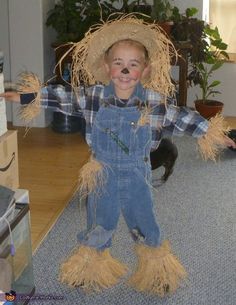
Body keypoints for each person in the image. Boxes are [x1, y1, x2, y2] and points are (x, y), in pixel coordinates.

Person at [2, 15, 236, 296]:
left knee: (145, 222)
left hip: (138, 174)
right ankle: (90, 270)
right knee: (99, 222)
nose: (125, 71)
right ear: (106, 66)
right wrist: (25, 96)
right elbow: (59, 97)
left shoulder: (153, 102)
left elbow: (181, 117)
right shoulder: (93, 97)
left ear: (145, 70)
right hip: (101, 174)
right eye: (118, 64)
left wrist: (211, 132)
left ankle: (157, 272)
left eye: (133, 65)